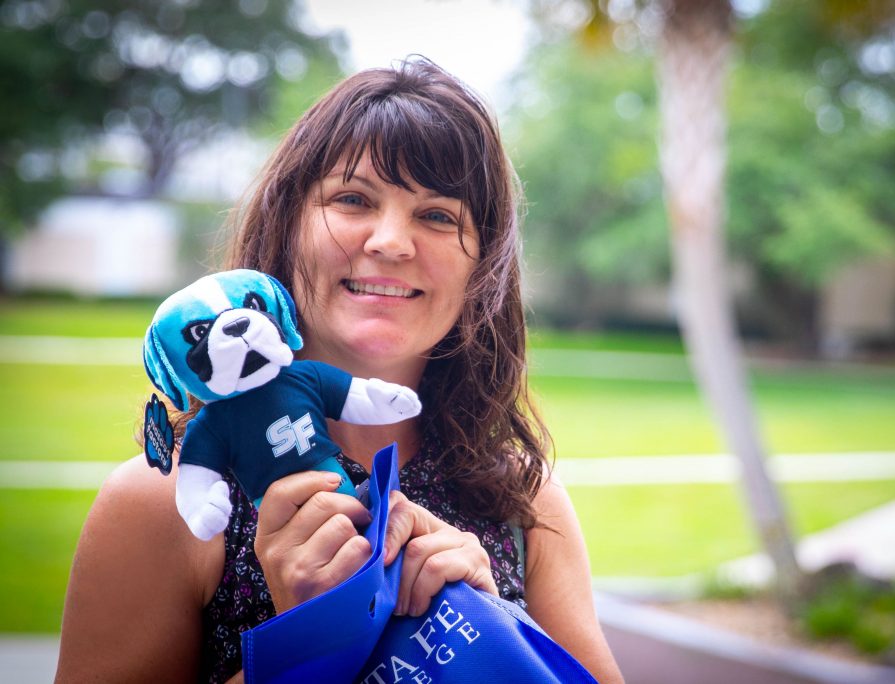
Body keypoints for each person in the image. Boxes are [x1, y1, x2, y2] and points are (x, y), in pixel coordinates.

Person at [56, 58, 623, 683]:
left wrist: (486, 624)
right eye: (353, 199)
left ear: (481, 269)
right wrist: (313, 640)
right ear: (287, 227)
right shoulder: (172, 505)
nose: (390, 241)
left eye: (438, 215)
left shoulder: (525, 501)